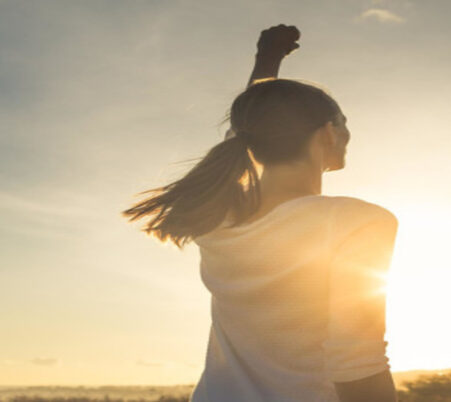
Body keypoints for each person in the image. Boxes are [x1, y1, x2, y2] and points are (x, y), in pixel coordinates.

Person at [123, 24, 399, 402]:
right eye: (345, 124)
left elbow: (246, 133)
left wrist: (267, 61)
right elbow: (358, 367)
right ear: (329, 133)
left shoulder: (218, 219)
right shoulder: (357, 223)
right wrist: (267, 61)